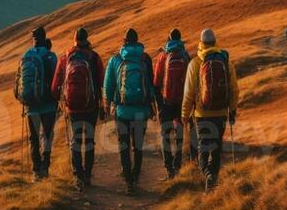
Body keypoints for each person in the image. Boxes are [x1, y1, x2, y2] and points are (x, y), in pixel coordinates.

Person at [181, 29, 239, 193]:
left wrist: (185, 114)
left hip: (201, 114)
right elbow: (234, 89)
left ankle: (207, 175)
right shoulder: (226, 62)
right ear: (215, 42)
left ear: (201, 42)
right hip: (220, 114)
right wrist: (232, 110)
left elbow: (189, 93)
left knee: (203, 148)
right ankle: (212, 184)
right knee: (216, 149)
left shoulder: (195, 63)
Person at [104, 28, 156, 194]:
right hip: (141, 109)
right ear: (137, 41)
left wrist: (107, 105)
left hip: (122, 111)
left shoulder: (115, 60)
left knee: (123, 145)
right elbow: (150, 83)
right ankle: (136, 174)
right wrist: (153, 105)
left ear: (124, 41)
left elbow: (109, 85)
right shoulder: (145, 58)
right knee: (138, 145)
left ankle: (128, 181)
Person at [52, 27, 105, 191]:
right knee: (89, 140)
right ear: (87, 39)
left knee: (75, 141)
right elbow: (101, 82)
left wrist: (59, 99)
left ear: (74, 39)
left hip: (72, 107)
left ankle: (78, 176)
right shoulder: (94, 57)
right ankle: (88, 175)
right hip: (90, 106)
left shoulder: (65, 58)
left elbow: (55, 86)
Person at [16, 26, 58, 181]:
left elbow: (19, 80)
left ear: (33, 39)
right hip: (48, 105)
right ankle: (45, 166)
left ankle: (35, 171)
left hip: (31, 106)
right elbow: (56, 79)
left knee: (33, 138)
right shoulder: (50, 56)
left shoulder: (26, 56)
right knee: (46, 136)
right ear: (44, 37)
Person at [153, 28, 190, 179]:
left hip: (166, 101)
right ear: (180, 40)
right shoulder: (185, 55)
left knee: (165, 134)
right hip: (181, 101)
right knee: (179, 132)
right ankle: (177, 163)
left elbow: (156, 81)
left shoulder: (163, 56)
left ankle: (168, 167)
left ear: (168, 40)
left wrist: (159, 104)